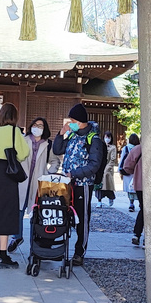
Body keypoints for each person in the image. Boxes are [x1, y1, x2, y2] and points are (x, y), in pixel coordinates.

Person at [51, 103, 104, 266]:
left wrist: (74, 174)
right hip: (67, 183)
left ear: (80, 121)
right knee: (63, 215)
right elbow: (58, 150)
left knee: (82, 218)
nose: (70, 122)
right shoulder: (73, 135)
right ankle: (58, 246)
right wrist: (61, 134)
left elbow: (94, 165)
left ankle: (79, 251)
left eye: (72, 120)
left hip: (83, 184)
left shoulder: (93, 139)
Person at [0, 104, 30, 269]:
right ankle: (3, 254)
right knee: (7, 212)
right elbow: (23, 154)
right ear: (13, 116)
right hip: (8, 173)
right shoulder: (14, 131)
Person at [8, 116, 62, 253]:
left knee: (36, 212)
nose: (37, 128)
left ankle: (35, 241)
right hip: (22, 180)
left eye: (41, 126)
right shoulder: (23, 140)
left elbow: (55, 161)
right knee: (18, 210)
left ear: (44, 129)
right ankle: (17, 236)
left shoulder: (48, 144)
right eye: (35, 124)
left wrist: (48, 173)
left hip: (39, 183)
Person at [121, 140, 144, 245]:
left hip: (140, 184)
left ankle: (137, 234)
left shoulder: (137, 149)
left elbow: (127, 166)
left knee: (143, 209)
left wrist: (136, 171)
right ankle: (147, 237)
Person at [95, 131, 118, 207]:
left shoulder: (113, 147)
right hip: (100, 167)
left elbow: (113, 159)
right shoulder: (101, 145)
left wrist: (107, 168)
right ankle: (99, 201)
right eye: (105, 137)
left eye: (108, 137)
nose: (107, 139)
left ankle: (110, 197)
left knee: (108, 185)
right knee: (99, 185)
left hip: (108, 169)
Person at [118, 133, 140, 212]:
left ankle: (131, 203)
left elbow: (122, 160)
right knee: (138, 188)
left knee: (129, 188)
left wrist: (120, 170)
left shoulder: (126, 148)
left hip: (128, 170)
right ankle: (140, 203)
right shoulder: (140, 148)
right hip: (137, 170)